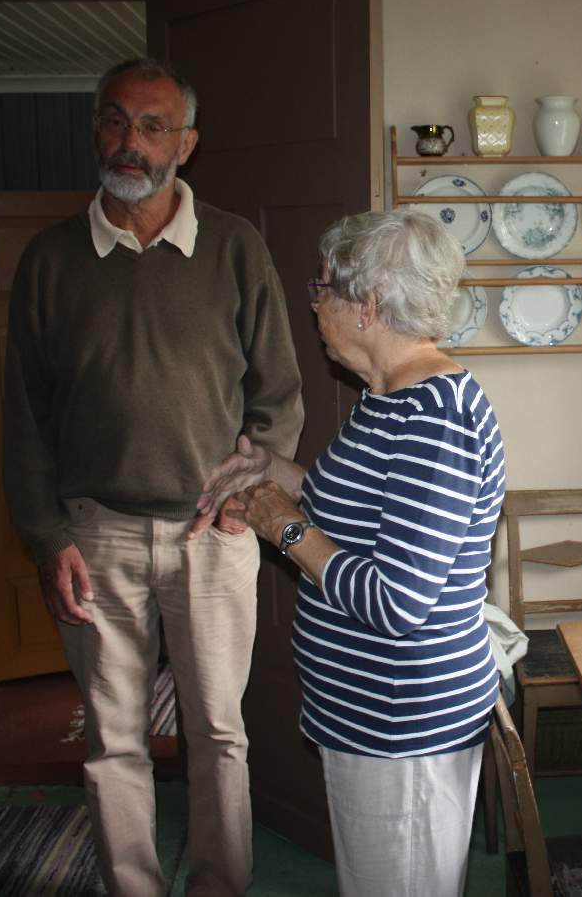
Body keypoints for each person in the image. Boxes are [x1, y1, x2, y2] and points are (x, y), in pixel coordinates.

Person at [2, 57, 304, 897]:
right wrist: (46, 536)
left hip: (213, 535)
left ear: (187, 142)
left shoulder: (236, 247)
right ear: (96, 128)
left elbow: (278, 394)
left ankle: (219, 886)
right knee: (114, 739)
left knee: (219, 734)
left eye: (152, 125)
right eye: (113, 120)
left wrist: (249, 494)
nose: (129, 141)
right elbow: (24, 416)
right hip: (95, 534)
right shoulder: (50, 260)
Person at [191, 209, 505, 897]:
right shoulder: (387, 399)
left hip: (404, 724)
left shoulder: (435, 418)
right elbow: (359, 515)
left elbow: (397, 601)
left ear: (366, 305)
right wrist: (272, 470)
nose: (314, 302)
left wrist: (285, 529)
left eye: (321, 287)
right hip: (368, 714)